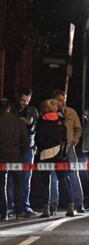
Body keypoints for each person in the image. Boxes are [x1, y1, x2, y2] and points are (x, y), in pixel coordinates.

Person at [35, 99, 74, 217]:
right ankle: (70, 206)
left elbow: (38, 138)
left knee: (45, 182)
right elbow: (64, 138)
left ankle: (46, 209)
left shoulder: (41, 121)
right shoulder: (61, 121)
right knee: (63, 181)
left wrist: (42, 148)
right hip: (59, 155)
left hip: (45, 155)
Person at [49, 90, 85, 214]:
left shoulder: (71, 112)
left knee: (74, 175)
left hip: (69, 148)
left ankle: (79, 203)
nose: (62, 101)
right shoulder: (50, 113)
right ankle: (53, 204)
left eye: (63, 98)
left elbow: (78, 128)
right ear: (53, 100)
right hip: (55, 149)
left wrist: (75, 140)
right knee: (53, 177)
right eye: (59, 99)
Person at [10, 88, 39, 217]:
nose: (25, 103)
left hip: (28, 148)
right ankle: (11, 206)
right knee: (11, 179)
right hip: (14, 148)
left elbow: (34, 125)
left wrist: (29, 122)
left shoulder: (32, 110)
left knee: (26, 179)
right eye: (23, 100)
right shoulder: (11, 110)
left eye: (27, 101)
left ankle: (25, 206)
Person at [0, 99, 27, 220]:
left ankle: (3, 212)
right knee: (18, 184)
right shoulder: (18, 122)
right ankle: (20, 211)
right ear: (9, 108)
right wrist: (21, 155)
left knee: (1, 186)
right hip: (15, 156)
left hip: (1, 157)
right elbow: (25, 141)